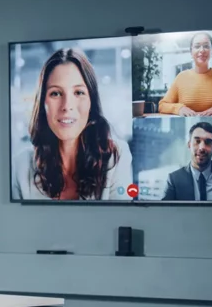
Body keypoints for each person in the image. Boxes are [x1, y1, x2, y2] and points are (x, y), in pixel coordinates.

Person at [12, 48, 133, 201]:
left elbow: (120, 220)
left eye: (78, 93)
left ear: (91, 101)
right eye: (55, 93)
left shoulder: (116, 157)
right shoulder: (20, 166)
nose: (67, 106)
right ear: (43, 103)